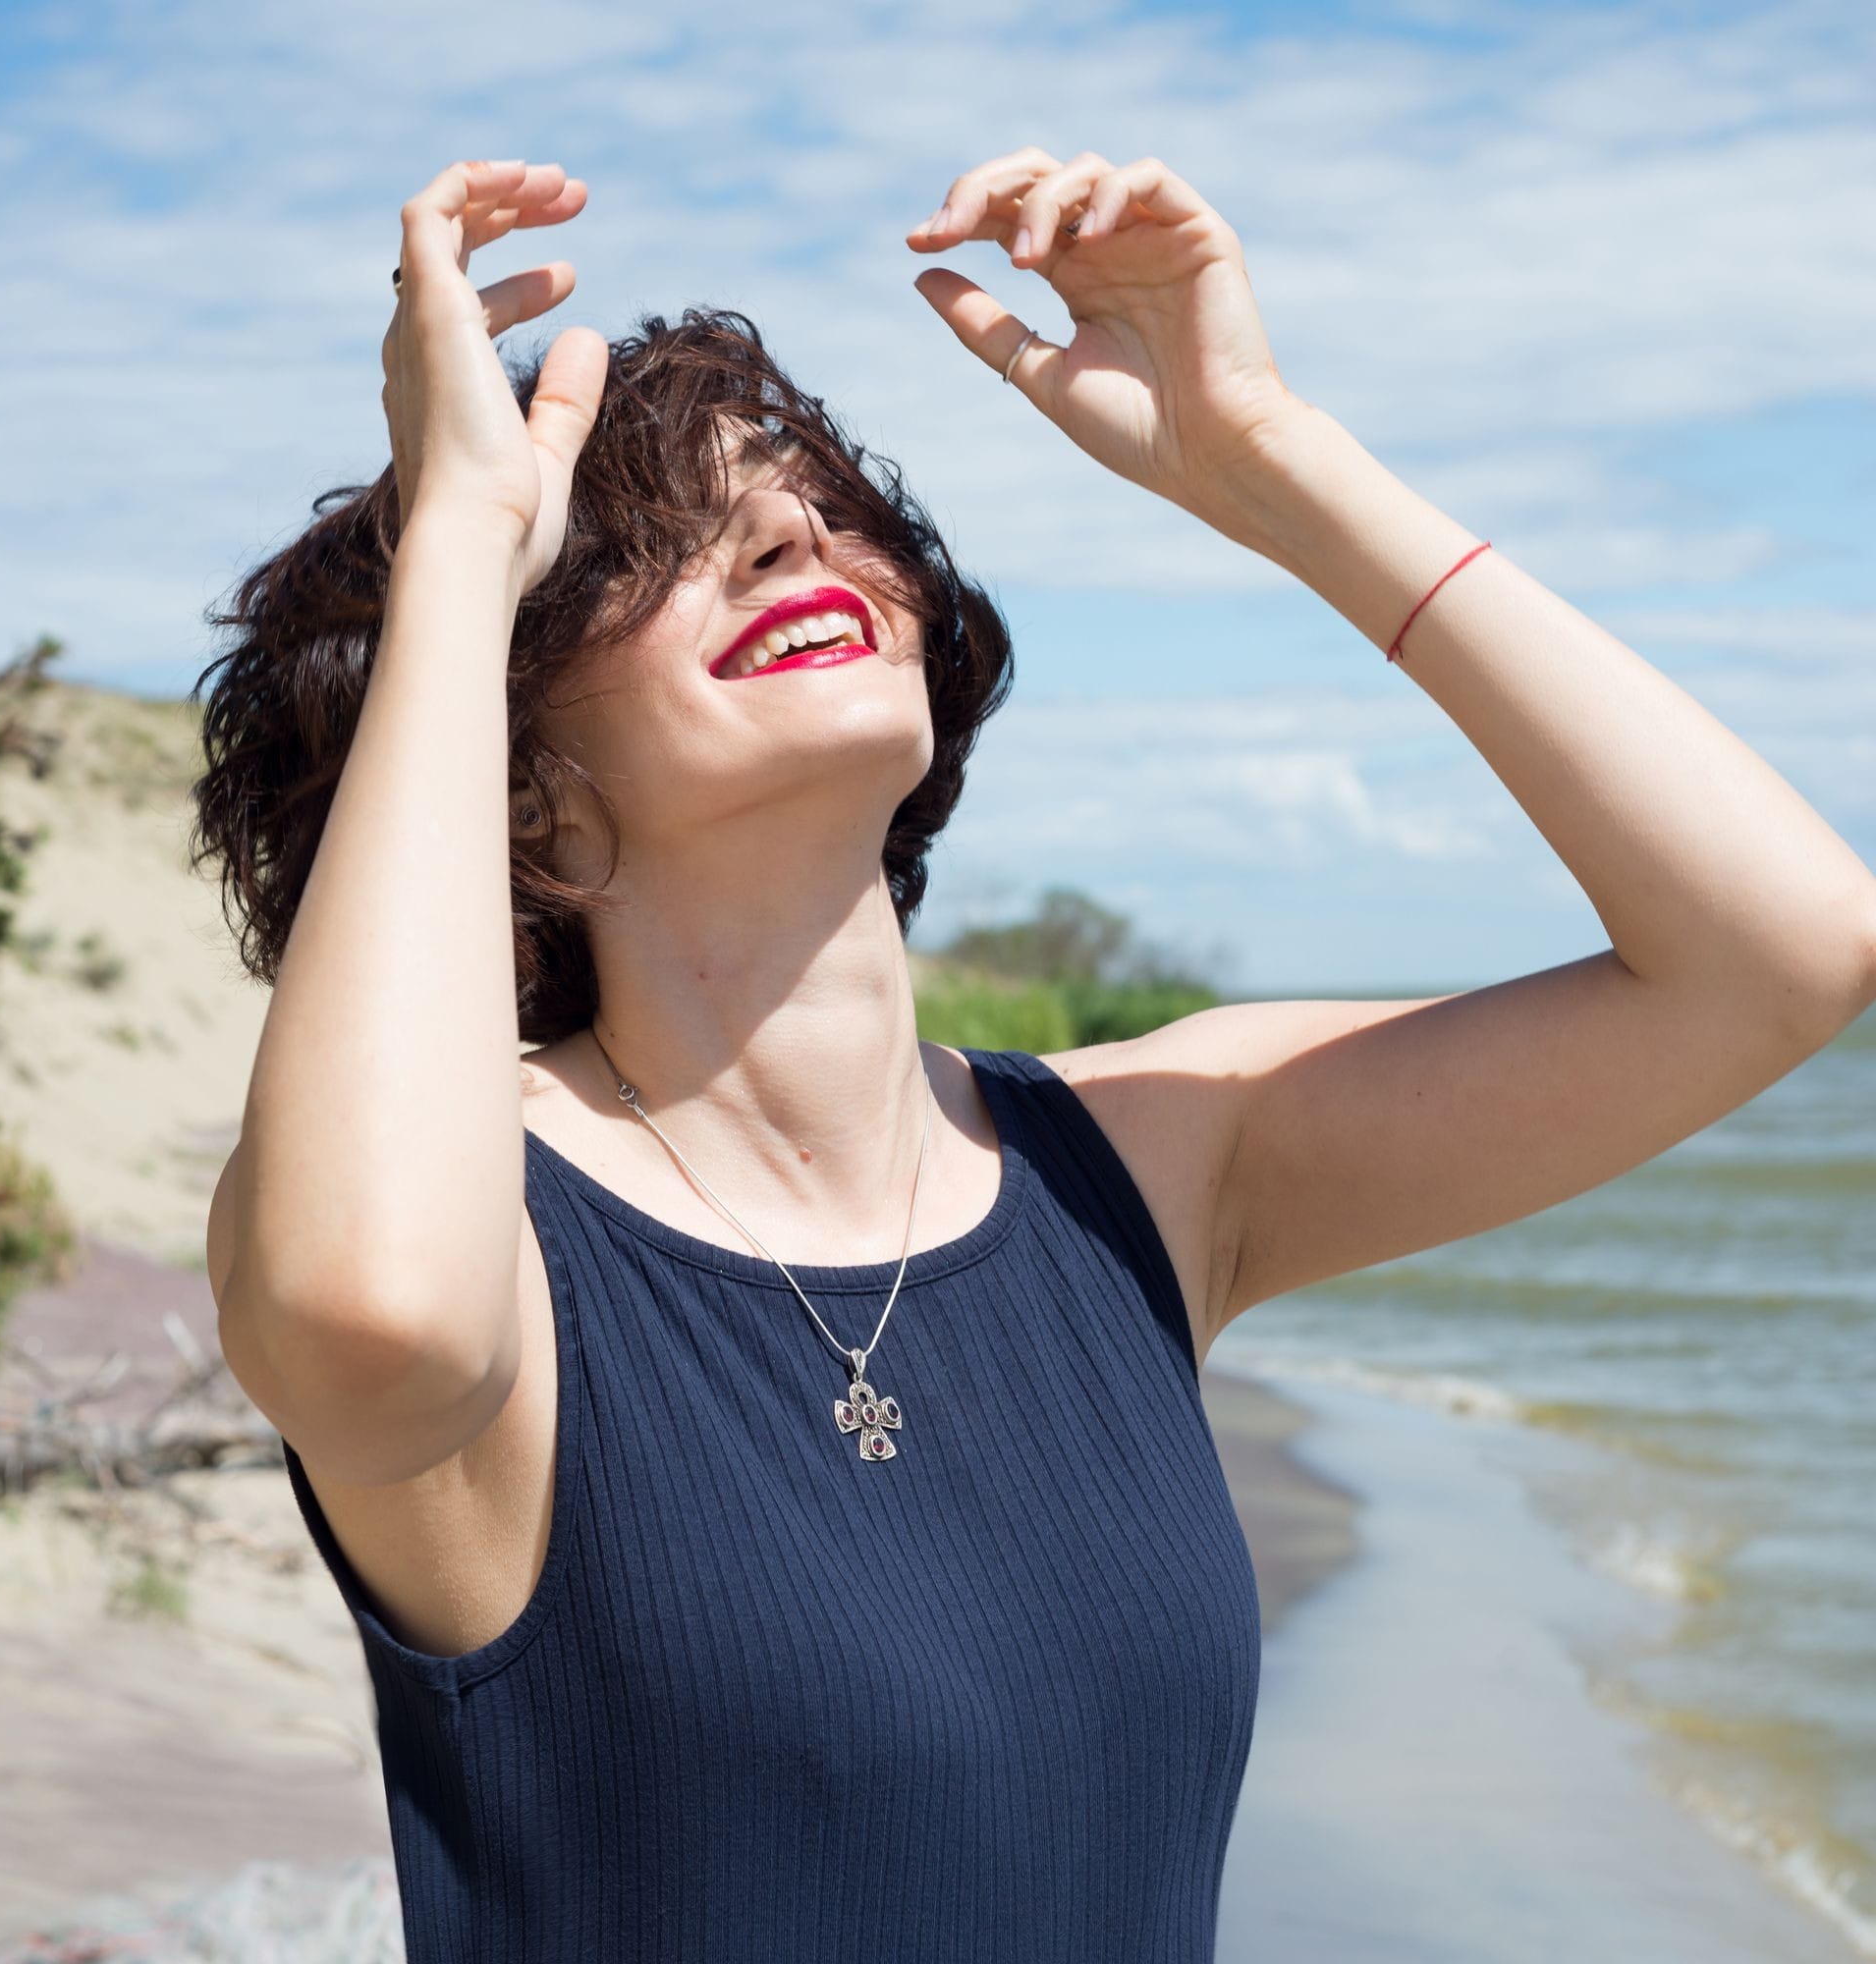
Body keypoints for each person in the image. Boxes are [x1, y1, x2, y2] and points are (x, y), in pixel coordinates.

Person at [192, 150, 1876, 1960]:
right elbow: (365, 1309)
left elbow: (1777, 955)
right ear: (525, 795)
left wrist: (1264, 457)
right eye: (643, 546)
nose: (792, 533)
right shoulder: (490, 1243)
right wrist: (456, 536)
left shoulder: (1141, 1165)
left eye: (819, 500)